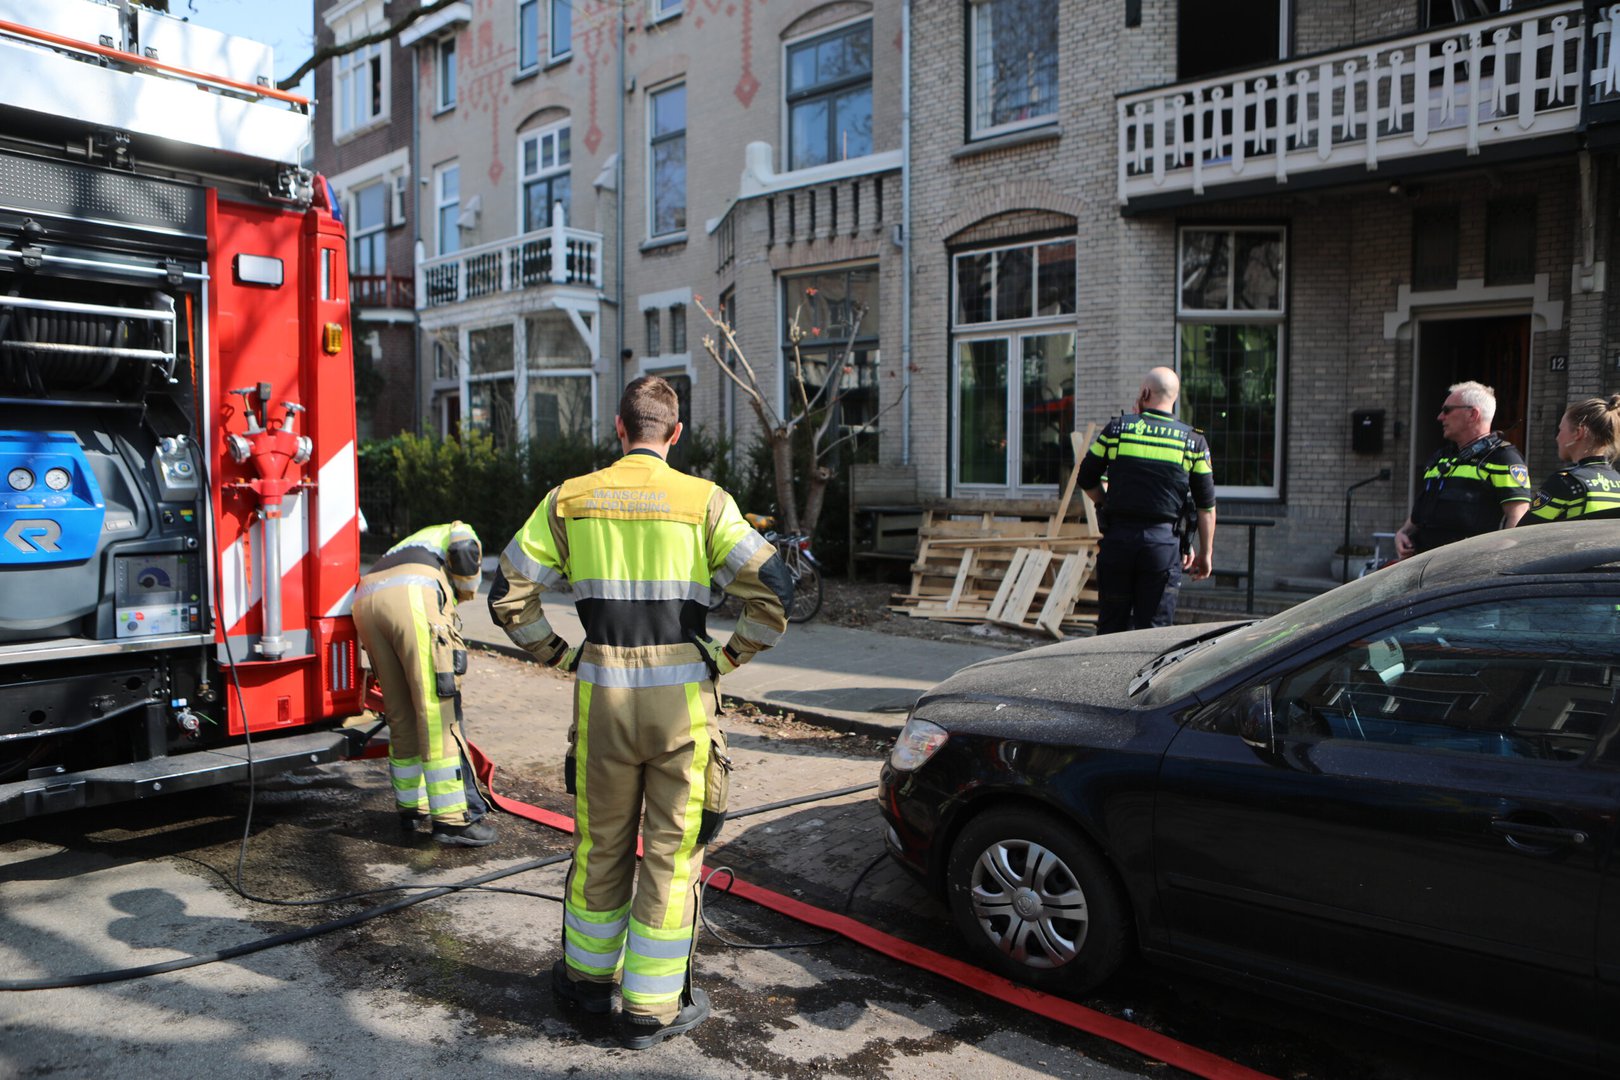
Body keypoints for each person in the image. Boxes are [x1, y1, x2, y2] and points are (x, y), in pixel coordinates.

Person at [489, 375, 792, 1049]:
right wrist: (728, 658)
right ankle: (652, 1008)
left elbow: (508, 595)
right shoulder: (706, 503)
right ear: (674, 434)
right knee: (673, 854)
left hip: (603, 700)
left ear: (619, 430)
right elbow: (775, 591)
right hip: (681, 706)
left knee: (599, 844)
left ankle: (587, 986)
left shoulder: (570, 500)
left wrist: (560, 656)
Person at [352, 521, 496, 846]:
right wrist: (463, 591)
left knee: (400, 710)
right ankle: (454, 821)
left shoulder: (414, 540)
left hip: (365, 601)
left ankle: (410, 808)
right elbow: (464, 549)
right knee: (437, 709)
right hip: (412, 596)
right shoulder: (460, 528)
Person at [1078, 366, 1216, 635]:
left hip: (1118, 542)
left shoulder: (1118, 430)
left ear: (1145, 392)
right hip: (1162, 548)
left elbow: (1086, 477)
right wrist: (1205, 553)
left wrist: (1105, 502)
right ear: (1174, 397)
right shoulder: (1193, 441)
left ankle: (1105, 677)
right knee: (1153, 633)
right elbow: (1206, 507)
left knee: (1110, 628)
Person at [1395, 381, 1531, 557]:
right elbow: (1424, 507)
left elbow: (1518, 516)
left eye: (1447, 410)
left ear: (1472, 414)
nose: (1440, 417)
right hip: (1423, 563)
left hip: (1466, 568)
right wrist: (1403, 533)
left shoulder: (1503, 458)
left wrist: (1497, 561)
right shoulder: (1441, 457)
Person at [1518, 395, 1620, 525]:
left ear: (1578, 433)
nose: (1557, 437)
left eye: (1560, 430)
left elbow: (1522, 534)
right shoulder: (1617, 481)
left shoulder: (1565, 482)